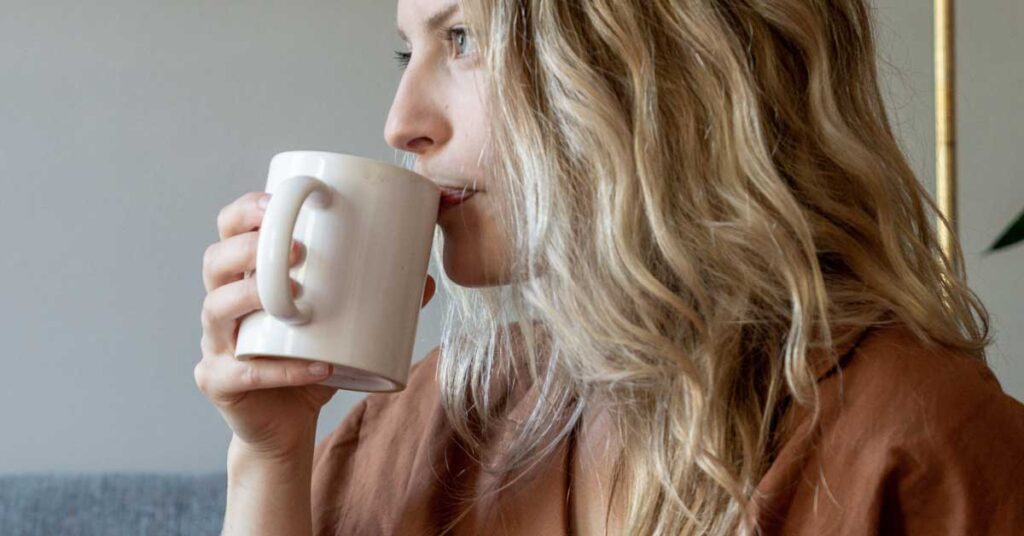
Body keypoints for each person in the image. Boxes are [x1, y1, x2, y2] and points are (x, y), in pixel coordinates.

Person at [196, 0, 1024, 534]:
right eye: (405, 51)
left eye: (463, 39)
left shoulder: (916, 445)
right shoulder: (437, 417)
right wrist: (269, 458)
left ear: (666, 65)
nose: (401, 122)